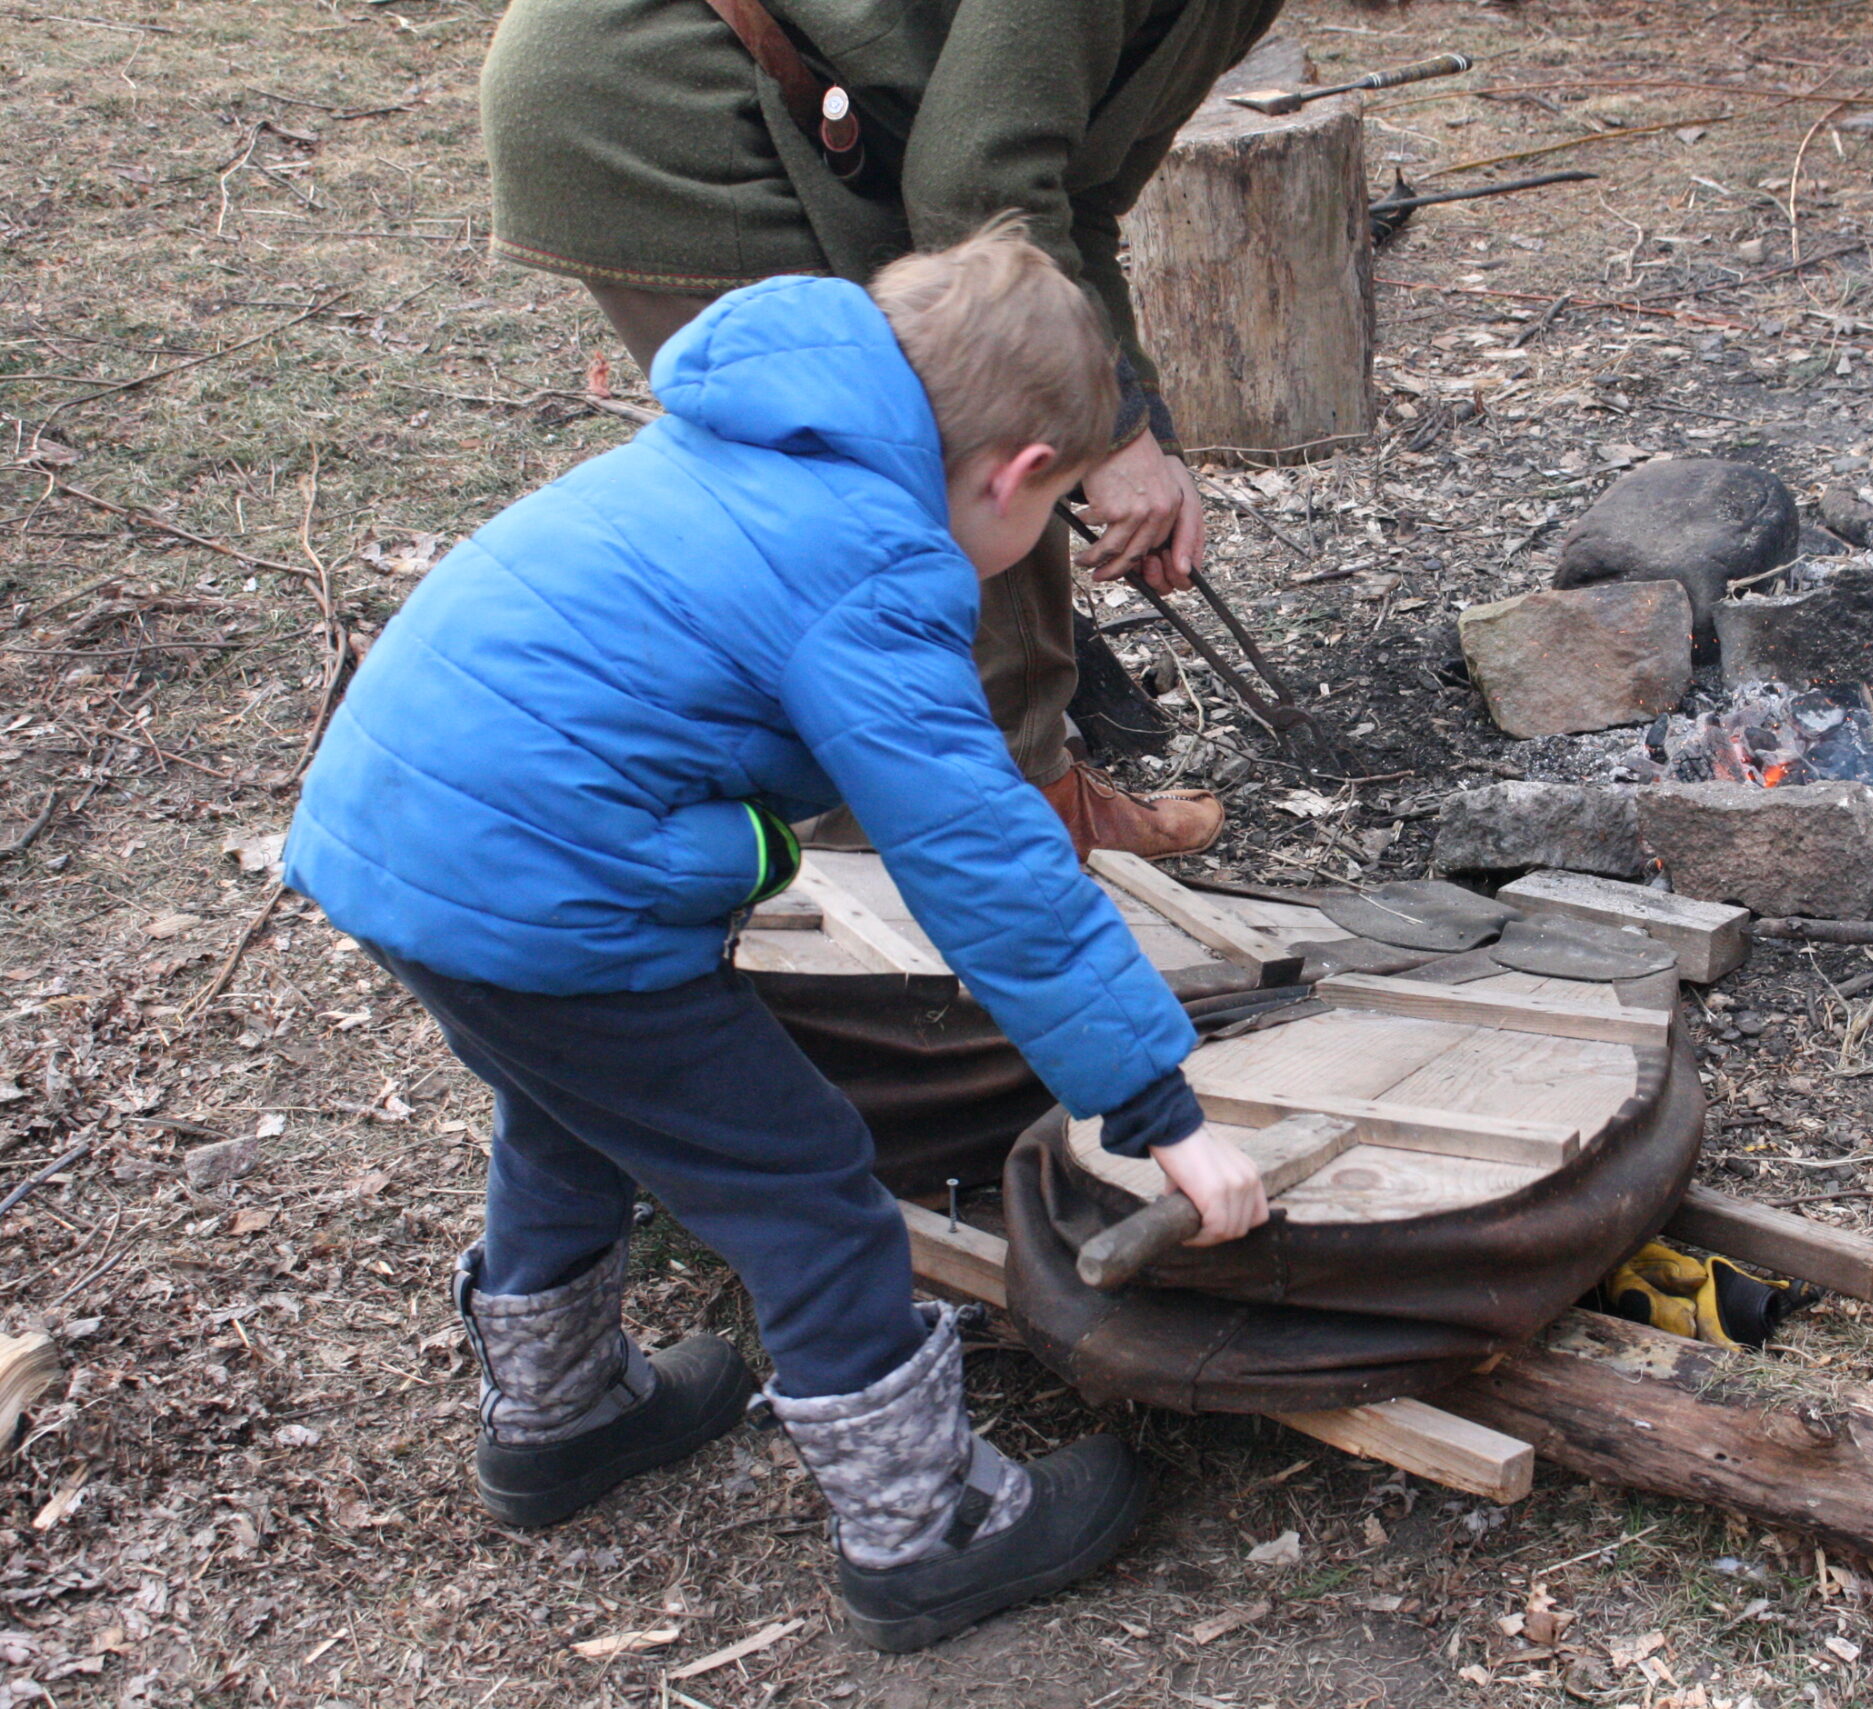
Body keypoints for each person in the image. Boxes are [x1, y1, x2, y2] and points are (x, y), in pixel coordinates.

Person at [281, 227, 1271, 1652]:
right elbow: (985, 857)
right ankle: (923, 1527)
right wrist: (1158, 1109)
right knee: (803, 1183)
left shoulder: (752, 435)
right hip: (541, 878)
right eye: (1053, 510)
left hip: (398, 831)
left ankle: (559, 1415)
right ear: (1014, 476)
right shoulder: (868, 568)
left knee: (572, 1108)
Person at [477, 0, 1289, 860]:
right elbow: (977, 189)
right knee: (946, 470)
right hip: (673, 99)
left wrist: (1136, 424)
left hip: (768, 107)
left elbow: (1068, 198)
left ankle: (994, 804)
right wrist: (1110, 435)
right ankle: (959, 857)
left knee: (978, 453)